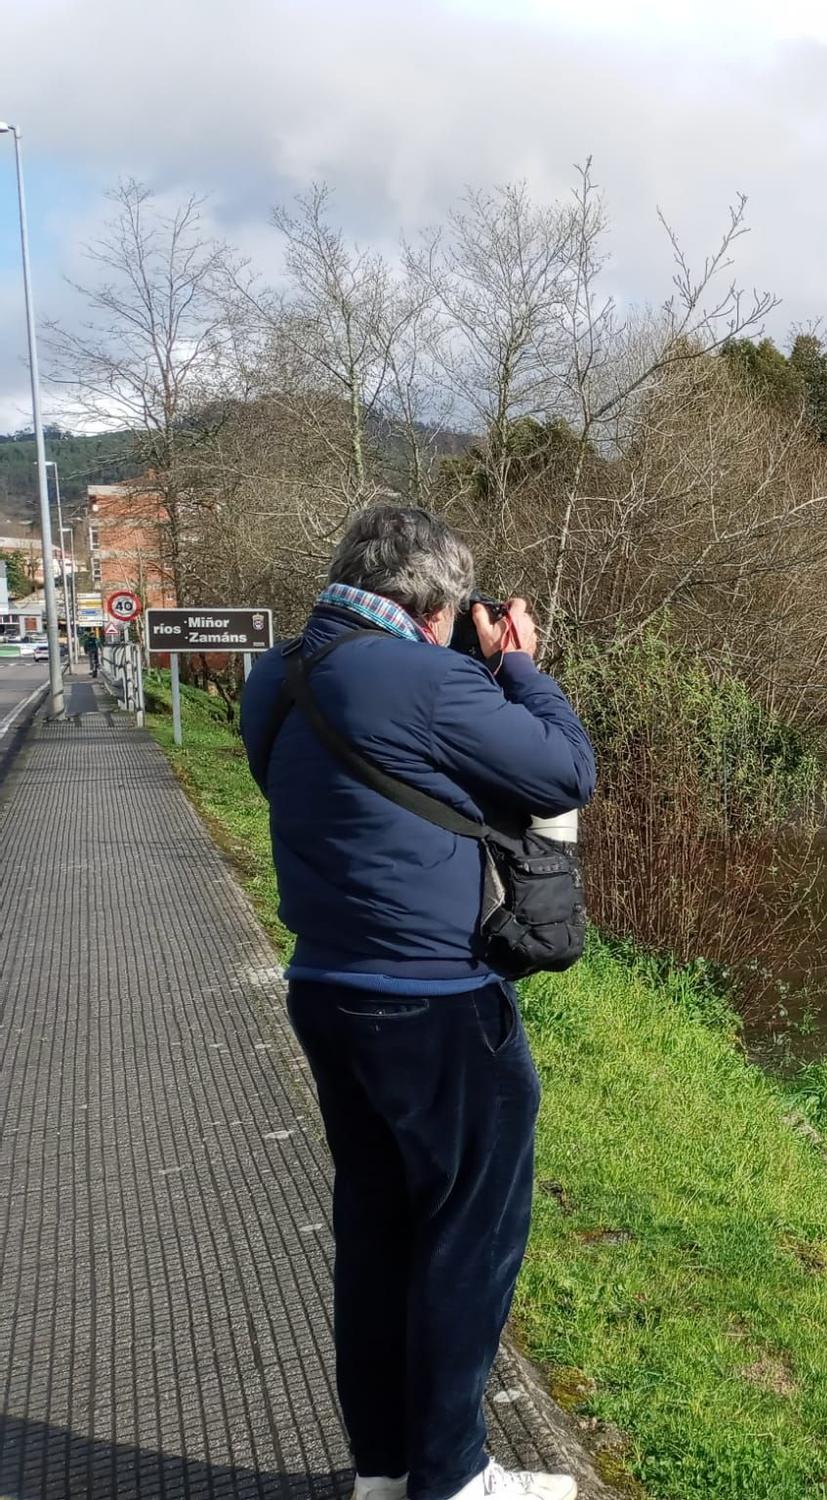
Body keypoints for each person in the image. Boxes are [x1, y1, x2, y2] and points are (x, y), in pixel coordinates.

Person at [242, 506, 595, 1500]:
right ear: (432, 604)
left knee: (378, 1237)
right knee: (466, 1238)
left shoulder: (277, 675)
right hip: (435, 1004)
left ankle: (387, 1472)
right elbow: (567, 770)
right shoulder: (423, 674)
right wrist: (519, 667)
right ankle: (455, 1478)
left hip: (325, 986)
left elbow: (355, 784)